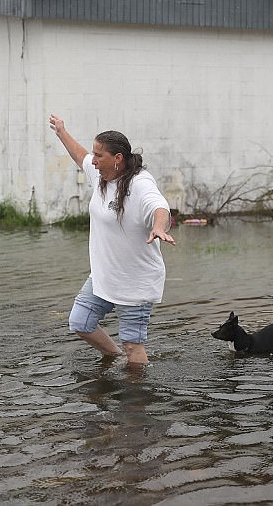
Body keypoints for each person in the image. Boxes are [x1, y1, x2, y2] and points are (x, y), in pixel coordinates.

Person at [49, 113, 176, 366]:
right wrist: (61, 131)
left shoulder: (140, 183)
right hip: (104, 276)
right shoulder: (100, 176)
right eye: (94, 154)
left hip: (134, 282)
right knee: (80, 322)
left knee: (133, 345)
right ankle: (114, 357)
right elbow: (79, 155)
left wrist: (159, 227)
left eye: (99, 155)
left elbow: (159, 206)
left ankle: (136, 396)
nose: (93, 160)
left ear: (117, 158)